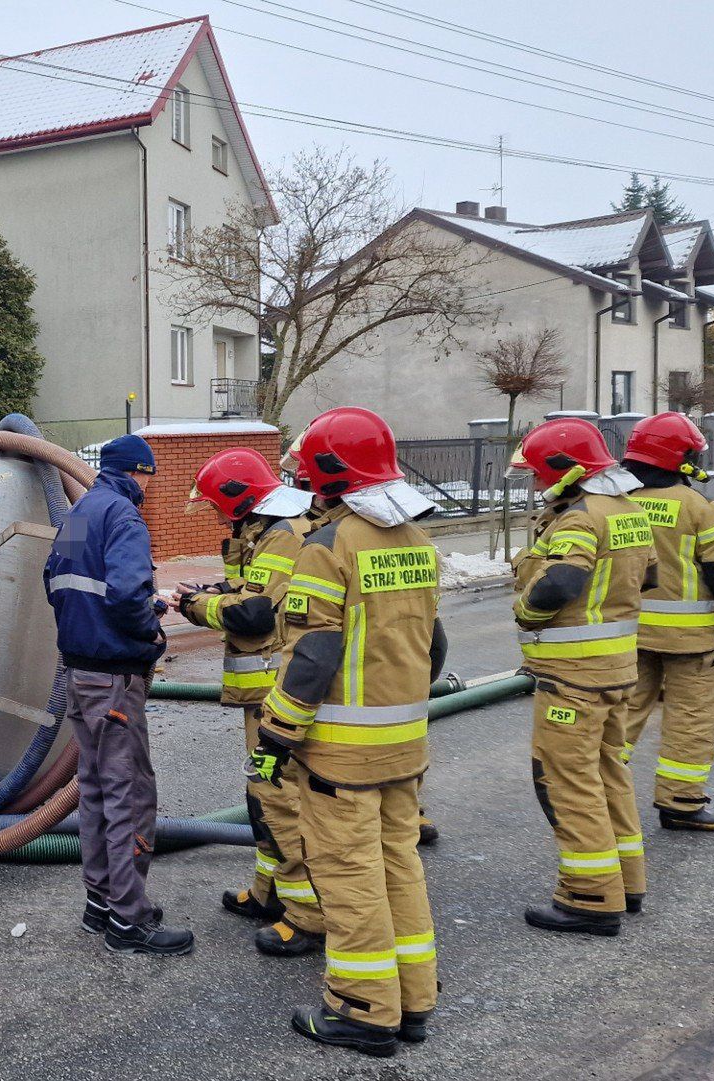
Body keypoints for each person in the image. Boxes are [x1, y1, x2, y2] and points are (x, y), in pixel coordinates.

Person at [251, 407, 447, 1057]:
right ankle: (412, 999)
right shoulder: (416, 541)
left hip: (341, 756)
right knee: (399, 865)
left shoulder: (329, 545)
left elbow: (313, 655)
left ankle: (363, 1009)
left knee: (349, 876)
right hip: (405, 745)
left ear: (329, 473)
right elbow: (433, 646)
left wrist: (276, 735)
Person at [508, 417, 657, 936]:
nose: (534, 482)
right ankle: (627, 883)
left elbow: (560, 583)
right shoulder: (628, 509)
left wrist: (527, 614)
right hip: (616, 671)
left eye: (537, 473)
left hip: (573, 678)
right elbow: (650, 576)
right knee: (609, 773)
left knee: (567, 782)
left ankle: (590, 897)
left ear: (564, 470)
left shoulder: (578, 519)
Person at [43, 433, 191, 956]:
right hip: (113, 678)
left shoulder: (82, 513)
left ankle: (100, 903)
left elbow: (54, 579)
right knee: (129, 794)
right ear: (138, 472)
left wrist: (92, 625)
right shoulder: (125, 516)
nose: (150, 486)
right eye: (150, 476)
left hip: (80, 672)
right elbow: (127, 594)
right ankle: (129, 920)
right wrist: (150, 628)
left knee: (96, 791)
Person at [174, 449, 325, 957]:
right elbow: (259, 588)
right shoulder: (268, 530)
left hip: (276, 692)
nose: (218, 517)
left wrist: (196, 605)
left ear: (241, 500)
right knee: (262, 795)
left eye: (218, 507)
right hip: (266, 693)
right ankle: (269, 891)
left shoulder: (282, 534)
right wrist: (218, 588)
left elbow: (258, 613)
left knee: (277, 796)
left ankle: (307, 916)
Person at [619, 413, 714, 831]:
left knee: (620, 716)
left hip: (626, 636)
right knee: (693, 719)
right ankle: (681, 804)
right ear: (681, 458)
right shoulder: (698, 508)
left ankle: (595, 794)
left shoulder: (615, 503)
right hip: (691, 644)